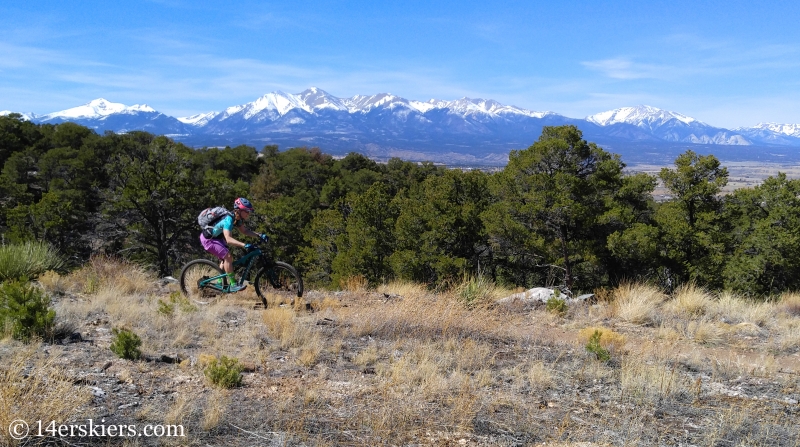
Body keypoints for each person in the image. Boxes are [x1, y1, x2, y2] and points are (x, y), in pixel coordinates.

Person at [199, 197, 268, 292]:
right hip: (208, 240)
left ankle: (220, 282)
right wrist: (245, 245)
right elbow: (228, 239)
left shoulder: (237, 218)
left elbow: (245, 231)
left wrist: (259, 235)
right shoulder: (229, 220)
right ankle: (233, 284)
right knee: (228, 256)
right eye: (246, 211)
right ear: (239, 210)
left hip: (216, 238)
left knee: (226, 258)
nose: (248, 213)